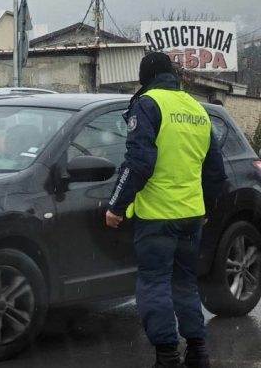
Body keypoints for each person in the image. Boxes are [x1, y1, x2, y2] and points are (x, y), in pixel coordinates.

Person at [105, 52, 227, 368]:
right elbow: (216, 171)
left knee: (154, 284)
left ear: (145, 77)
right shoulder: (196, 108)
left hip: (158, 217)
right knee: (184, 283)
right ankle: (197, 351)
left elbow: (139, 162)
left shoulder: (148, 104)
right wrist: (207, 207)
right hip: (191, 216)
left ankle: (167, 356)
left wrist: (116, 204)